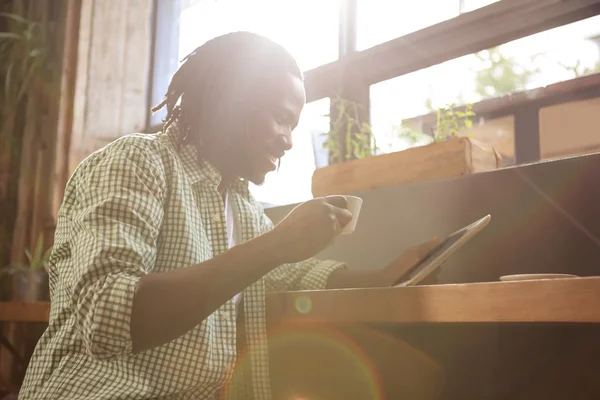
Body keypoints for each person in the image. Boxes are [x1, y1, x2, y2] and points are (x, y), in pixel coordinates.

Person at [19, 32, 440, 400]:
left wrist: (388, 275)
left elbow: (290, 277)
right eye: (280, 118)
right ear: (228, 100)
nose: (289, 142)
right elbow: (107, 317)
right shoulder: (135, 162)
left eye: (294, 126)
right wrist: (275, 245)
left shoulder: (240, 204)